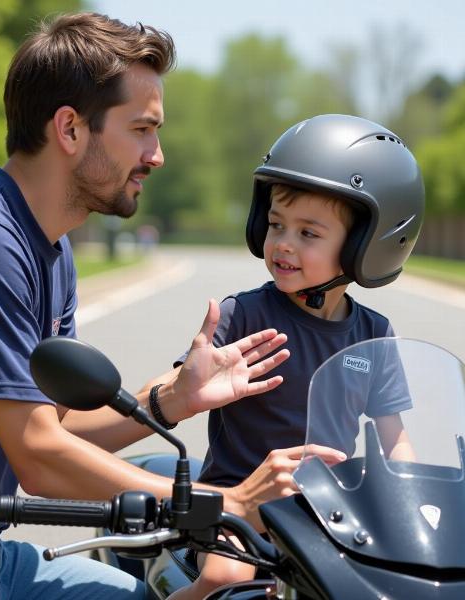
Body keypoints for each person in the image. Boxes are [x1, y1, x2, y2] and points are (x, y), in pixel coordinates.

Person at [0, 13, 347, 600]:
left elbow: (58, 429)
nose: (157, 155)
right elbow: (39, 459)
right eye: (143, 129)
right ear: (70, 128)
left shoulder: (48, 247)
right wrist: (227, 503)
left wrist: (173, 399)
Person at [156, 114, 425, 599]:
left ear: (367, 245)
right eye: (276, 224)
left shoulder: (374, 334)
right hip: (238, 503)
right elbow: (185, 387)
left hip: (330, 511)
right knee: (225, 578)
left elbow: (395, 438)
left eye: (308, 233)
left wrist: (415, 501)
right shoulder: (242, 314)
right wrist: (181, 390)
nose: (282, 243)